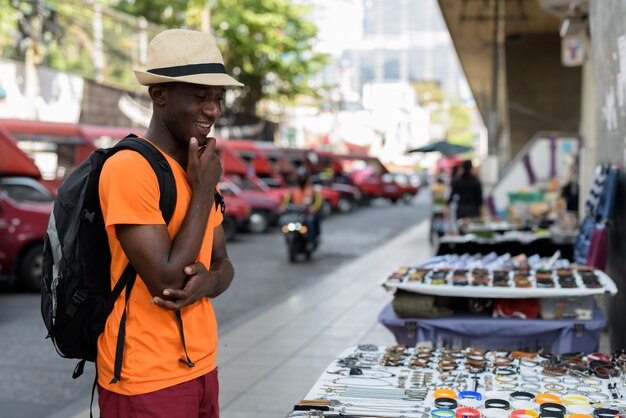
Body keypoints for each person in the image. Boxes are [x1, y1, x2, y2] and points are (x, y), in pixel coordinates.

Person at [97, 29, 241, 417]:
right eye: (199, 96)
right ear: (159, 94)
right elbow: (168, 280)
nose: (212, 110)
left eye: (218, 98)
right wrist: (204, 188)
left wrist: (211, 281)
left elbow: (222, 262)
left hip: (201, 365)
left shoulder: (195, 167)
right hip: (144, 377)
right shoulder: (130, 168)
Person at [280, 166, 323, 249]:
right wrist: (283, 207)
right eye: (300, 176)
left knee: (310, 221)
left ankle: (311, 241)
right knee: (285, 222)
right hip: (296, 214)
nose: (301, 178)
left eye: (303, 176)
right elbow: (286, 201)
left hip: (307, 213)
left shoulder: (313, 189)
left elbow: (318, 202)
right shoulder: (293, 189)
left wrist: (313, 208)